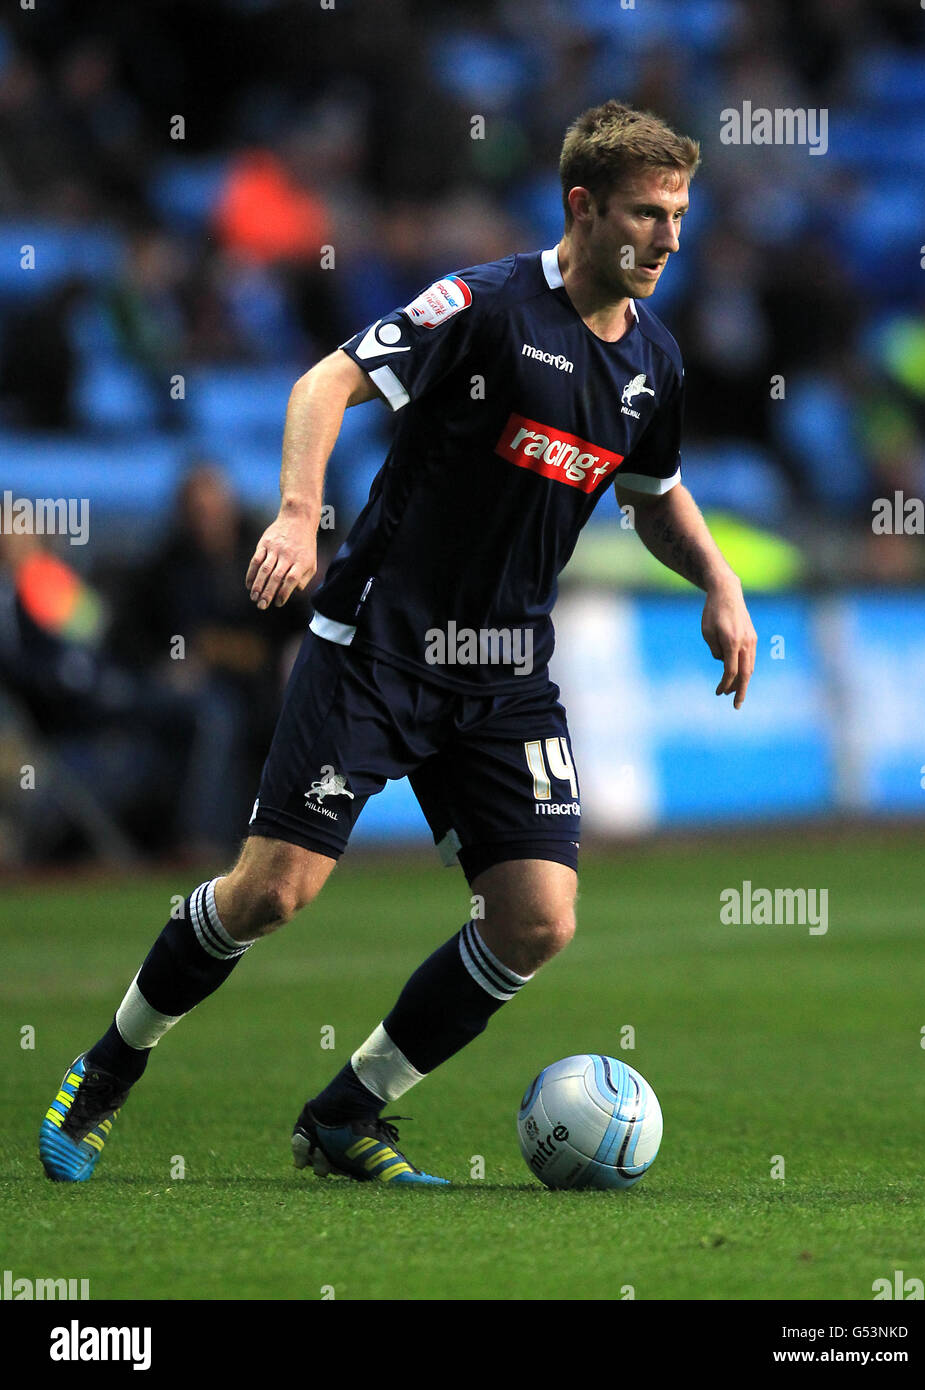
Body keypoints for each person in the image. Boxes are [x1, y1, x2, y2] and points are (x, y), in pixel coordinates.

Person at [39, 100, 756, 1187]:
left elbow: (651, 493)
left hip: (506, 670)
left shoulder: (651, 360)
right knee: (270, 894)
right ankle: (109, 1065)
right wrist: (293, 509)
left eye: (678, 216)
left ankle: (347, 1112)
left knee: (535, 919)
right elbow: (323, 380)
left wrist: (718, 579)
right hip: (377, 644)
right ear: (581, 206)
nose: (667, 238)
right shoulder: (482, 305)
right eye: (647, 215)